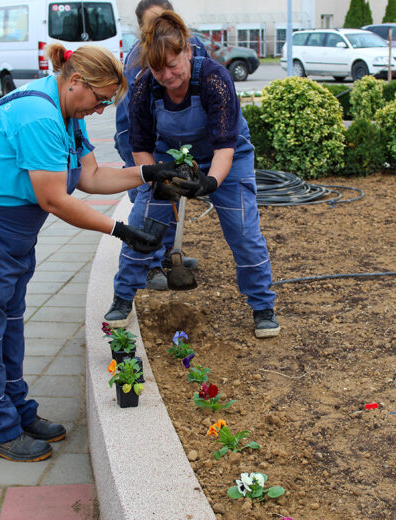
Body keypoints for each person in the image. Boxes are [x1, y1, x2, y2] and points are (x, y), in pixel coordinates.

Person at [0, 44, 184, 462]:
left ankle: (17, 412)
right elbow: (55, 200)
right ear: (75, 80)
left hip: (5, 234)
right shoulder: (39, 117)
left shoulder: (67, 112)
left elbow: (91, 177)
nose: (100, 110)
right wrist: (122, 231)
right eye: (99, 100)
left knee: (7, 325)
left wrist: (149, 173)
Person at [104, 11, 281, 339]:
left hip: (227, 156)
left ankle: (262, 306)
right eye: (159, 69)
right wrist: (156, 174)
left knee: (243, 232)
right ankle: (121, 298)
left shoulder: (214, 78)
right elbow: (139, 145)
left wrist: (210, 182)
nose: (167, 76)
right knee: (143, 225)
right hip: (167, 156)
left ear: (187, 50)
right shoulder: (145, 87)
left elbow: (226, 146)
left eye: (173, 66)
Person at [113, 0, 208, 292]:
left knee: (170, 194)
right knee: (148, 200)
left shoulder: (195, 47)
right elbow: (134, 118)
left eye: (163, 20)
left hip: (170, 138)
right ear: (141, 29)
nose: (158, 29)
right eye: (150, 24)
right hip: (137, 137)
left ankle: (166, 253)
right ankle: (148, 265)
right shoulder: (136, 59)